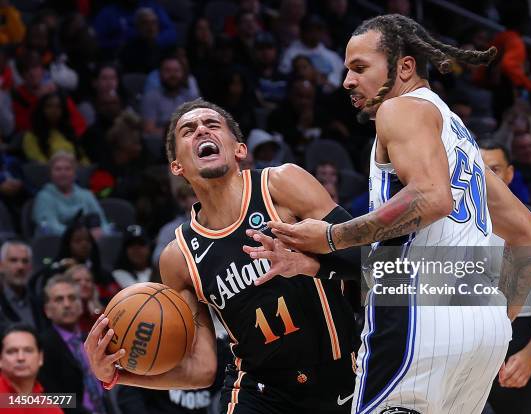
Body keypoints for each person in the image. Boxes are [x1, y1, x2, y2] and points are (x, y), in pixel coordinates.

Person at [256, 14, 531, 414]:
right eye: (346, 70)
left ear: (404, 66)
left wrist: (329, 237)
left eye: (359, 68)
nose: (347, 82)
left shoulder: (400, 109)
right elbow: (529, 234)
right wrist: (500, 318)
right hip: (484, 326)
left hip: (417, 316)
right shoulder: (456, 132)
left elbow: (430, 198)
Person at [85, 98, 361, 413]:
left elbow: (369, 259)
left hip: (341, 372)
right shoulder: (179, 257)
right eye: (188, 130)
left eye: (213, 124)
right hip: (260, 391)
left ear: (239, 149)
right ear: (178, 166)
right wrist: (117, 375)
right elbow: (201, 370)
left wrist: (309, 264)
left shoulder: (282, 186)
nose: (201, 129)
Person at [479, 141, 531, 414]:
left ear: (510, 173)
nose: (488, 178)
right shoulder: (451, 225)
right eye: (481, 170)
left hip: (519, 352)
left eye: (495, 169)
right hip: (465, 348)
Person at [38, 274, 108, 414]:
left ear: (81, 305)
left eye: (72, 298)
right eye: (59, 299)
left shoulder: (91, 339)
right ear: (47, 310)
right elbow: (53, 397)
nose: (67, 304)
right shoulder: (42, 346)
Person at [32, 151, 112, 237]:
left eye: (68, 169)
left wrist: (102, 231)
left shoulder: (87, 195)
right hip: (55, 244)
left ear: (74, 173)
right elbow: (51, 227)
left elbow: (104, 223)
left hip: (87, 243)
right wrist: (83, 235)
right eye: (58, 169)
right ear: (51, 174)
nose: (63, 173)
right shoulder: (44, 197)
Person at [0, 323, 63, 414]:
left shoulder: (52, 409)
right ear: (0, 359)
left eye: (28, 350)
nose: (21, 358)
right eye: (12, 351)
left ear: (40, 358)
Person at [0, 240, 45, 331]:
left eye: (25, 261)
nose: (20, 266)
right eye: (13, 260)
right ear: (1, 266)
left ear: (31, 267)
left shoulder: (39, 301)